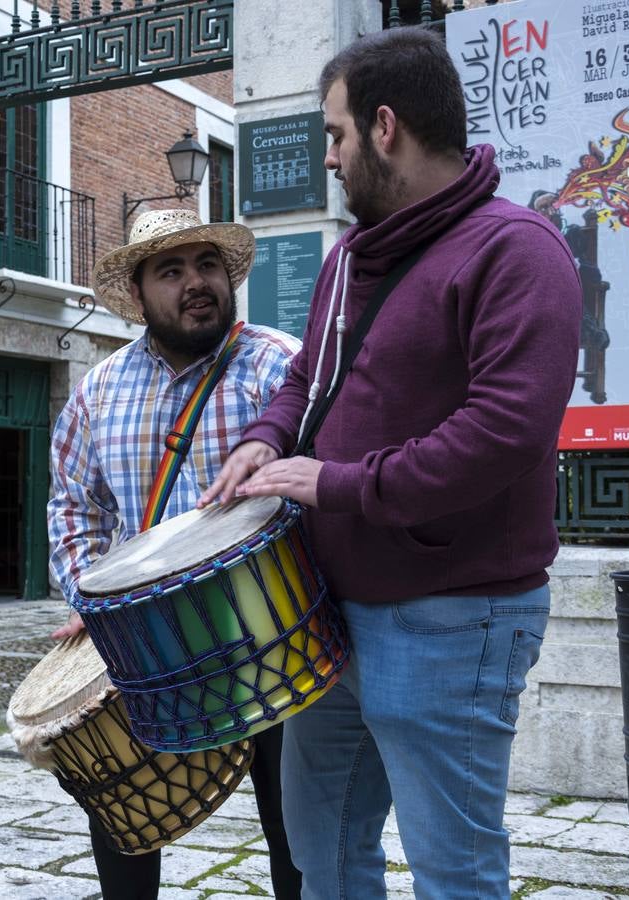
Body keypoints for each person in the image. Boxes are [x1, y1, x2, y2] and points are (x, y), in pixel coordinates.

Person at [200, 27, 582, 900]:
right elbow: (308, 378)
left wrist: (338, 484)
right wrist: (268, 434)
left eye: (333, 136)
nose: (328, 159)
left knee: (454, 870)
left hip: (456, 616)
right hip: (331, 614)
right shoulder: (345, 259)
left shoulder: (517, 251)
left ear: (383, 127)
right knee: (320, 847)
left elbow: (506, 430)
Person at [48, 208, 303, 900]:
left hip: (270, 632)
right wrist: (86, 599)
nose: (196, 283)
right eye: (171, 270)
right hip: (148, 646)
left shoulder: (280, 366)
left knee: (295, 826)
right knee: (124, 814)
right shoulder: (97, 392)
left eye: (207, 266)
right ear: (137, 294)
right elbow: (75, 507)